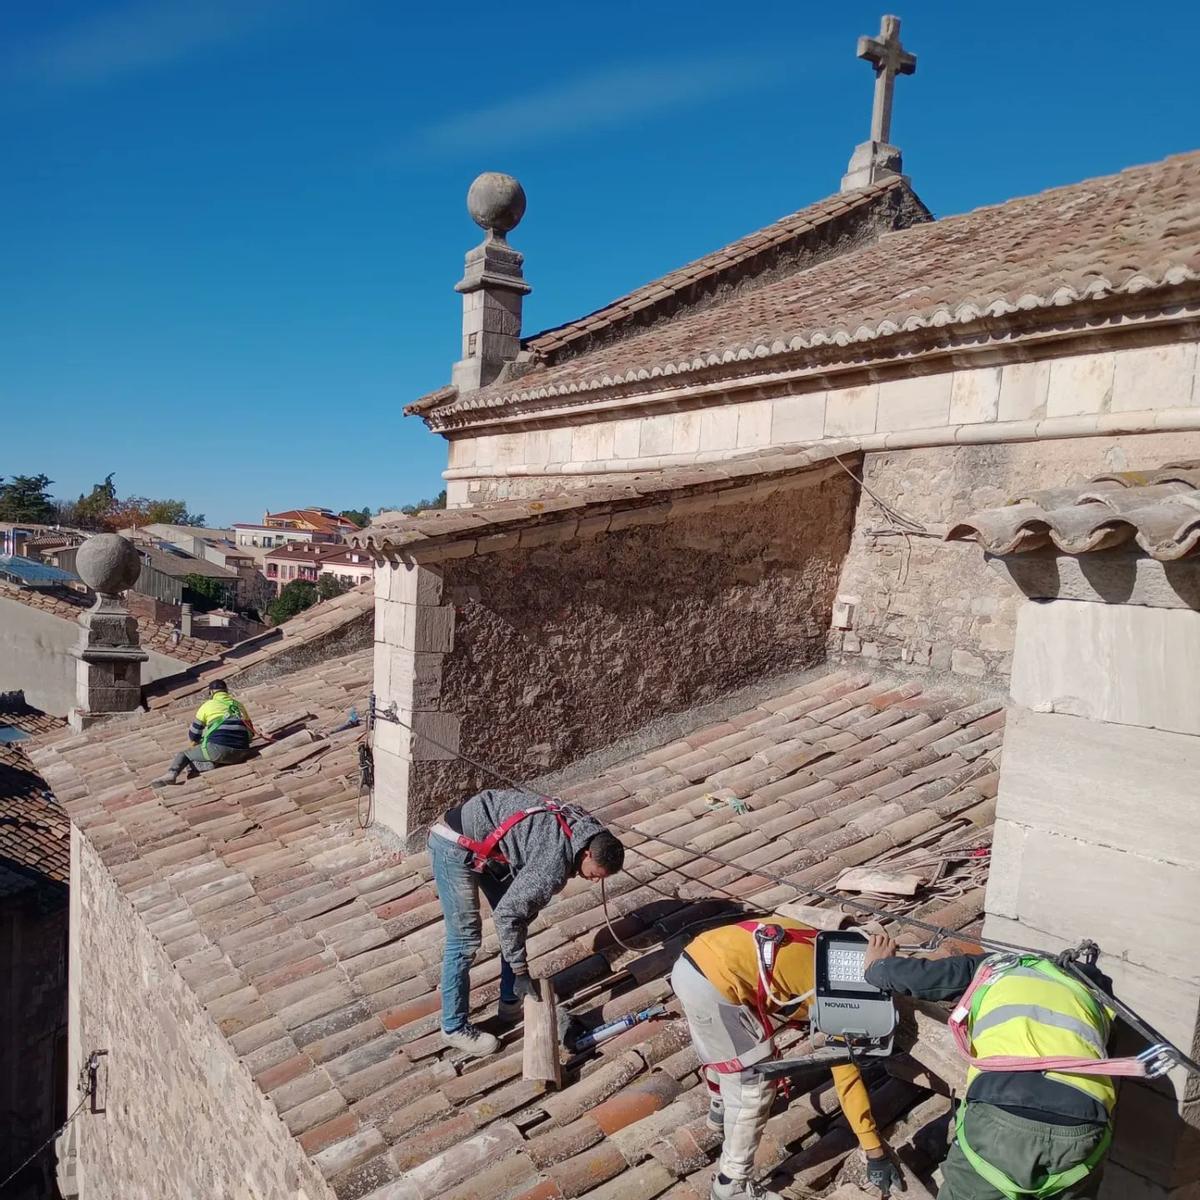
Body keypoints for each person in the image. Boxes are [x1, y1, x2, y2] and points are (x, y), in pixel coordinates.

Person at [863, 934, 1117, 1200]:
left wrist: (876, 968)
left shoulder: (996, 967)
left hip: (1001, 1116)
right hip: (1089, 1126)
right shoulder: (1092, 996)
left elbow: (922, 976)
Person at [671, 916, 900, 1200]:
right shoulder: (848, 998)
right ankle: (731, 1185)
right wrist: (873, 1149)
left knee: (721, 1046)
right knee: (753, 1086)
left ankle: (720, 1107)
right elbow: (846, 1077)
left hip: (692, 960)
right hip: (716, 985)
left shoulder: (822, 942)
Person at [428, 788, 625, 1058]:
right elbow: (507, 916)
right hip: (453, 844)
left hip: (487, 839)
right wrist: (521, 972)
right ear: (587, 854)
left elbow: (517, 915)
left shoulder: (589, 829)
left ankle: (511, 999)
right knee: (465, 939)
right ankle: (453, 1027)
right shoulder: (550, 868)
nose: (593, 881)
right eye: (594, 875)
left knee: (520, 915)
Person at [152, 679, 261, 786]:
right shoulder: (238, 705)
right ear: (226, 691)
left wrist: (199, 741)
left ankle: (171, 775)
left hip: (218, 751)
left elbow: (194, 735)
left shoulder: (207, 706)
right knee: (216, 751)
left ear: (211, 692)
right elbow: (250, 733)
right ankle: (215, 761)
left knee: (184, 754)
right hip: (243, 752)